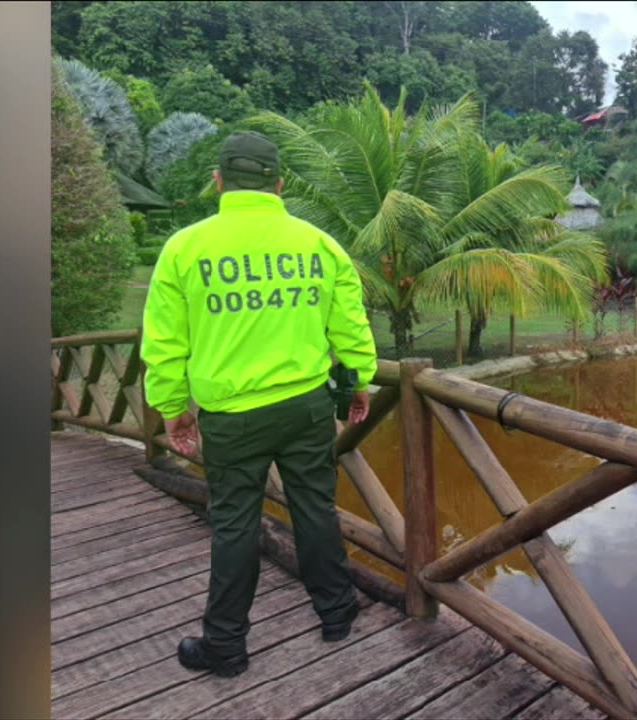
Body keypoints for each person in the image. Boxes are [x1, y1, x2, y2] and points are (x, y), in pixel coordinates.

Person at [140, 131, 378, 678]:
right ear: (279, 184)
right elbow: (349, 325)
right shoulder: (318, 244)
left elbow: (165, 344)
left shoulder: (185, 247)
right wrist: (359, 381)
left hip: (232, 417)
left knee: (235, 526)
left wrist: (174, 407)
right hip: (307, 407)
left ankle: (225, 645)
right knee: (315, 510)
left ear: (220, 182)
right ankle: (338, 612)